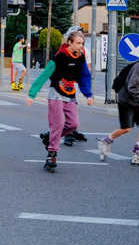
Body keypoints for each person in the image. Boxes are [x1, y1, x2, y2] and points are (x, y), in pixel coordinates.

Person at [26, 29, 93, 173]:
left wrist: (88, 94)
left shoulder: (81, 58)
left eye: (82, 43)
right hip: (56, 93)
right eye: (78, 43)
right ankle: (52, 154)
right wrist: (32, 94)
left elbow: (84, 77)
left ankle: (50, 137)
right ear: (70, 43)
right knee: (58, 124)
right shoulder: (60, 57)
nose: (81, 46)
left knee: (73, 124)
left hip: (70, 93)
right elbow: (45, 75)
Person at [98, 44, 139, 166]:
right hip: (126, 100)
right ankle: (105, 141)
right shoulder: (138, 66)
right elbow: (131, 85)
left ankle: (137, 151)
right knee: (126, 129)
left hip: (138, 100)